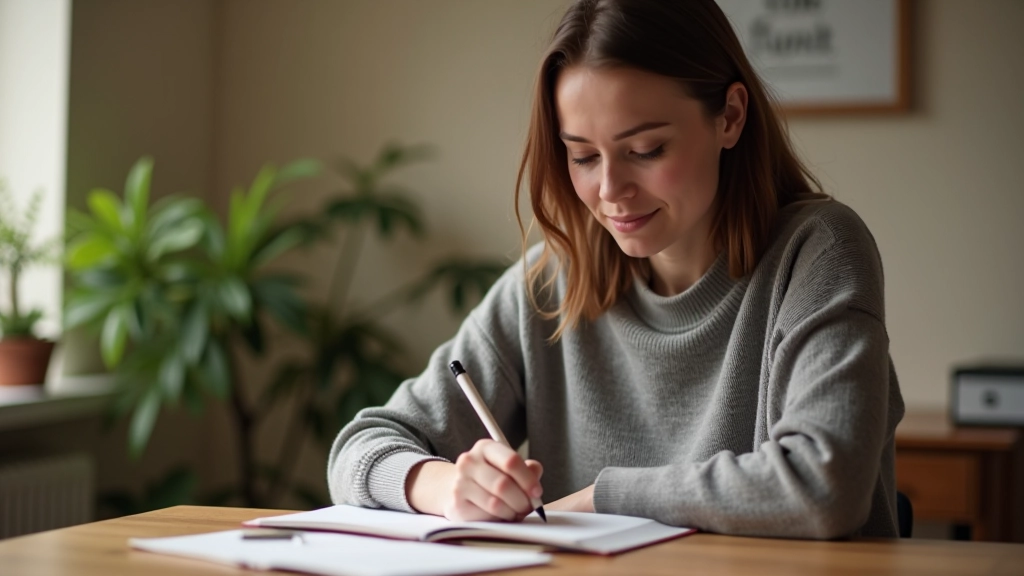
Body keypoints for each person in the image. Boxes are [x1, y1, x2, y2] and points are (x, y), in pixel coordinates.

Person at [328, 0, 905, 539]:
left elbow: (823, 486)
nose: (610, 191)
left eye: (646, 150)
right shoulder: (551, 284)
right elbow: (359, 448)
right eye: (581, 156)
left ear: (729, 116)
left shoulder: (818, 252)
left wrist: (598, 500)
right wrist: (448, 486)